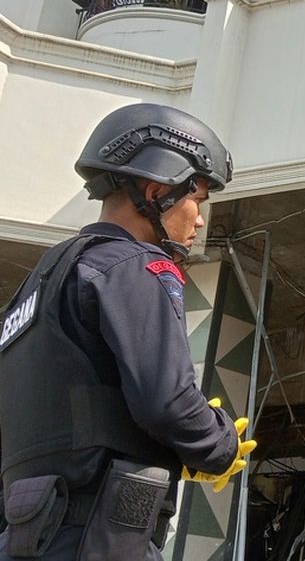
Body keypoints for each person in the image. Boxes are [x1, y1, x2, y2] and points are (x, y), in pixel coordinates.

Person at [0, 103, 256, 561]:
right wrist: (219, 444)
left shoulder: (37, 286)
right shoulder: (136, 265)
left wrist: (173, 448)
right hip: (99, 536)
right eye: (197, 199)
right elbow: (167, 402)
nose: (200, 220)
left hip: (25, 536)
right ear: (157, 191)